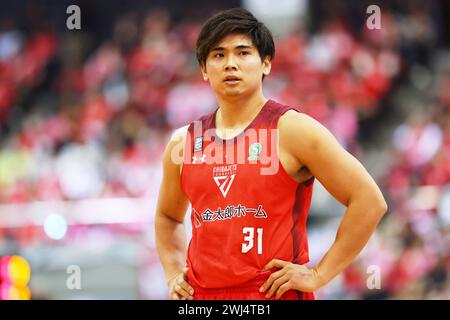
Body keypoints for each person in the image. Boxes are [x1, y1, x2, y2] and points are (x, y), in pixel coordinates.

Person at [155, 8, 387, 300]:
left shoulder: (293, 129)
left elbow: (369, 200)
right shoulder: (183, 143)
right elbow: (167, 216)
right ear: (203, 69)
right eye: (218, 55)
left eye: (242, 53)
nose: (230, 64)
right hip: (203, 298)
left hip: (271, 293)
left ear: (266, 64)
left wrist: (319, 274)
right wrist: (173, 272)